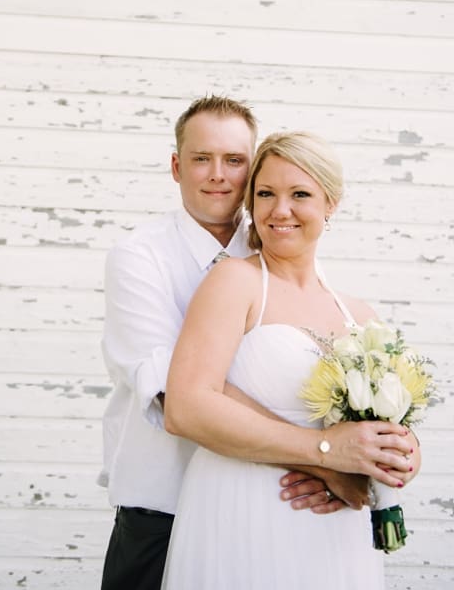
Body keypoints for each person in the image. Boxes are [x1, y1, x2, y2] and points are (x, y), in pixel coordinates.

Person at [99, 97, 368, 590]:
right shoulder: (139, 257)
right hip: (161, 502)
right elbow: (174, 392)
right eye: (202, 158)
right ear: (177, 167)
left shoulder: (279, 239)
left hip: (271, 499)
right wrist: (326, 459)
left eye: (235, 160)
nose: (218, 175)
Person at [160, 131, 421, 589]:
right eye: (265, 194)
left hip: (337, 535)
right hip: (245, 511)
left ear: (330, 203)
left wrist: (400, 457)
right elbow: (186, 408)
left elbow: (395, 430)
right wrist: (326, 454)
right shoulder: (234, 282)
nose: (280, 210)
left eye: (299, 194)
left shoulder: (361, 316)